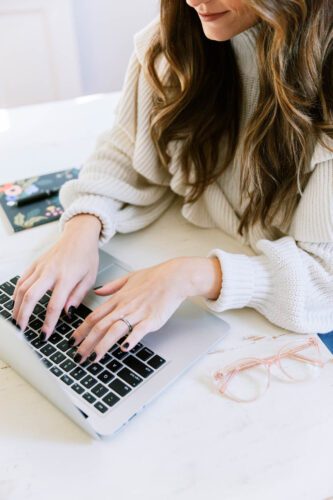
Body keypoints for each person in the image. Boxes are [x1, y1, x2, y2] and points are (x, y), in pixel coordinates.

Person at [12, 0, 333, 365]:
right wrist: (81, 229)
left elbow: (324, 281)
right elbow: (129, 149)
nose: (194, 1)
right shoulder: (174, 42)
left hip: (304, 322)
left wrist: (187, 275)